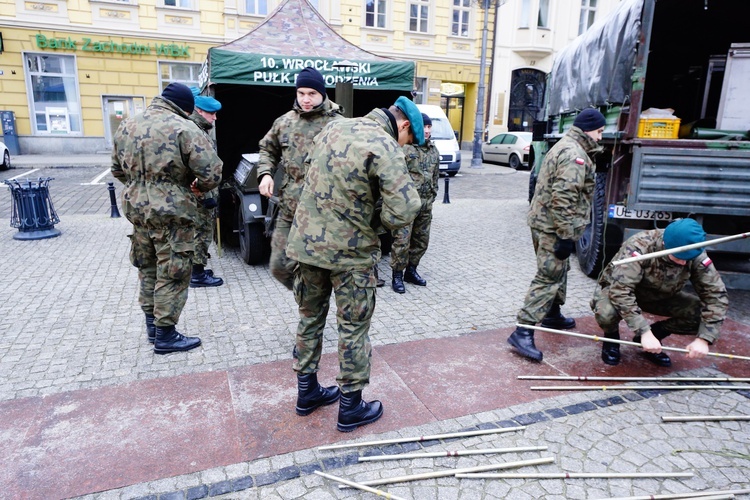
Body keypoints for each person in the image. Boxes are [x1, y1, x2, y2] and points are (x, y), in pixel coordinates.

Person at [286, 96, 423, 432]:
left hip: (306, 245)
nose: (406, 146)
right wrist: (378, 222)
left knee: (309, 318)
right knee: (353, 328)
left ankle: (307, 394)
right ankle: (351, 407)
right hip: (351, 253)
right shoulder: (384, 143)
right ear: (403, 125)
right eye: (409, 141)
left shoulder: (333, 127)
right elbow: (406, 209)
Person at [111, 82, 223, 354]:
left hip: (138, 212)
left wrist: (141, 186)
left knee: (147, 268)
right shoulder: (185, 127)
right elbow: (212, 173)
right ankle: (166, 335)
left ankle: (152, 327)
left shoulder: (127, 125)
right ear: (186, 107)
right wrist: (194, 187)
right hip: (173, 213)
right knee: (172, 272)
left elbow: (116, 170)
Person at [507, 108, 606, 362]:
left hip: (545, 222)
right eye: (599, 132)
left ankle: (552, 313)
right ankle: (523, 331)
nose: (601, 137)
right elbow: (563, 198)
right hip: (553, 226)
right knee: (549, 274)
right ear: (588, 130)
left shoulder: (567, 145)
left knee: (559, 269)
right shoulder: (575, 155)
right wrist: (564, 235)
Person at [592, 218, 728, 367]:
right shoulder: (640, 246)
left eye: (687, 259)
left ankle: (655, 336)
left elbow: (715, 295)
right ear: (665, 245)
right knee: (606, 313)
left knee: (700, 315)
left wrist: (704, 339)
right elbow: (620, 291)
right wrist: (643, 331)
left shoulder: (694, 252)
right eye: (679, 258)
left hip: (661, 297)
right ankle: (612, 339)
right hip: (623, 292)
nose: (683, 263)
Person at [257, 67, 344, 291]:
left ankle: (312, 308)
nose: (305, 99)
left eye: (312, 93)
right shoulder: (284, 122)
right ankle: (305, 296)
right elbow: (267, 149)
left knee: (318, 272)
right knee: (278, 265)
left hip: (323, 212)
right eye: (301, 93)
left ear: (322, 93)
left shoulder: (338, 124)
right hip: (290, 208)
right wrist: (266, 173)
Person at [391, 112, 440, 293]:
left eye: (429, 127)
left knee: (421, 241)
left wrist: (433, 194)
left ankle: (411, 271)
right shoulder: (405, 148)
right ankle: (397, 275)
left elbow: (436, 176)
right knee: (402, 241)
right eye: (423, 127)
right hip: (407, 206)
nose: (426, 131)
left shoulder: (433, 150)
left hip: (426, 205)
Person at [188, 89, 224, 288]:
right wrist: (207, 193)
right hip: (199, 196)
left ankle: (197, 270)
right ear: (200, 111)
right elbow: (203, 168)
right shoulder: (197, 132)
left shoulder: (196, 129)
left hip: (199, 194)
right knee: (201, 232)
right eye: (212, 113)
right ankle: (197, 275)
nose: (215, 118)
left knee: (200, 232)